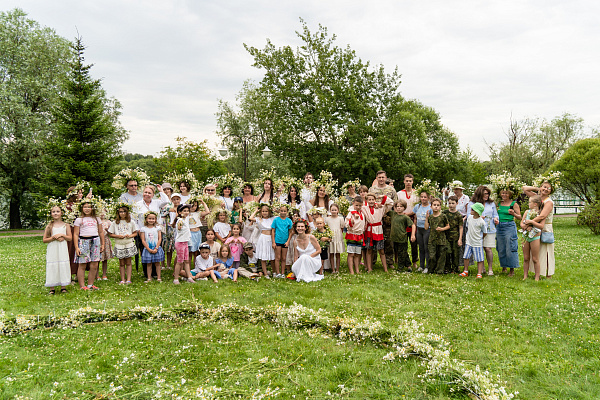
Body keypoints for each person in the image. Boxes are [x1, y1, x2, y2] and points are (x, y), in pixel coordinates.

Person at [523, 181, 556, 278]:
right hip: (534, 226)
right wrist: (538, 189)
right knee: (537, 251)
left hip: (545, 227)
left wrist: (529, 222)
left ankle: (548, 273)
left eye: (548, 188)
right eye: (544, 187)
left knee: (546, 250)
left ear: (551, 191)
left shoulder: (549, 202)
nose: (546, 189)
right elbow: (524, 189)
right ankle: (538, 273)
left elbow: (542, 216)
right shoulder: (536, 198)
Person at [73, 200, 105, 290]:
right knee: (82, 264)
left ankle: (90, 284)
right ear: (82, 208)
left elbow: (101, 232)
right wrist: (76, 247)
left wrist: (102, 244)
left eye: (89, 207)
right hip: (84, 241)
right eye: (85, 207)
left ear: (93, 208)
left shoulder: (97, 219)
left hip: (95, 241)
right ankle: (82, 286)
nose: (87, 209)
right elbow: (75, 234)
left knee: (94, 264)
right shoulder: (79, 220)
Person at [369, 170, 398, 269]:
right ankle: (372, 261)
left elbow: (395, 203)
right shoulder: (372, 189)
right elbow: (368, 202)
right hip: (374, 218)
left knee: (388, 240)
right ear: (376, 178)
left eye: (383, 177)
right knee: (373, 239)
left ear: (386, 178)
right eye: (379, 177)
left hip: (387, 218)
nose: (381, 179)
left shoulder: (391, 190)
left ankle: (389, 262)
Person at [469, 186, 499, 276]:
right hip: (477, 229)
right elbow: (469, 215)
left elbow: (495, 214)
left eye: (488, 194)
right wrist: (477, 217)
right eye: (485, 194)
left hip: (489, 228)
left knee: (488, 248)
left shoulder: (491, 203)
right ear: (480, 193)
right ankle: (482, 268)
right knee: (479, 248)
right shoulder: (472, 203)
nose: (487, 195)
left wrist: (496, 219)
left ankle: (490, 268)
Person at [43, 205, 72, 294]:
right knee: (53, 265)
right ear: (51, 214)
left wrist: (62, 235)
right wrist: (53, 238)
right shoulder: (49, 226)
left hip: (62, 248)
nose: (55, 213)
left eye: (57, 211)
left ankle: (63, 286)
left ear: (61, 213)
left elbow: (70, 238)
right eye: (53, 212)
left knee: (62, 264)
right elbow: (44, 240)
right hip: (53, 248)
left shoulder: (66, 225)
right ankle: (52, 287)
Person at [362, 193, 393, 273]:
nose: (371, 201)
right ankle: (369, 268)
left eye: (373, 199)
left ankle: (385, 269)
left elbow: (391, 203)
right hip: (369, 230)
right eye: (369, 200)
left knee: (381, 250)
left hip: (378, 230)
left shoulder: (380, 207)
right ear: (366, 200)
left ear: (375, 200)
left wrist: (383, 198)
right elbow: (354, 208)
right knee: (369, 250)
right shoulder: (364, 208)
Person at [108, 204, 138, 285]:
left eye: (124, 211)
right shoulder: (115, 223)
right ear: (118, 213)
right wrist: (118, 236)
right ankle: (122, 279)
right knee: (121, 263)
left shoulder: (131, 222)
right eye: (121, 212)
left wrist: (130, 235)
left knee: (128, 262)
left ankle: (128, 279)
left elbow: (135, 233)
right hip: (119, 244)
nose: (123, 213)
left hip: (128, 244)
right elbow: (110, 234)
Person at [497, 189, 521, 277]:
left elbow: (519, 217)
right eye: (503, 193)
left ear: (510, 194)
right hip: (499, 226)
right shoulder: (499, 203)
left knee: (510, 247)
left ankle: (512, 269)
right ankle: (504, 267)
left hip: (509, 226)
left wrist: (513, 214)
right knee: (501, 247)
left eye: (506, 193)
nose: (504, 195)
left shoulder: (513, 204)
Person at [397, 174, 419, 271]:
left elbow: (418, 206)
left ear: (412, 182)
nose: (408, 183)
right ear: (404, 181)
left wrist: (411, 214)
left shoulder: (417, 193)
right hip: (402, 220)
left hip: (413, 219)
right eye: (407, 181)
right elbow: (396, 206)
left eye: (410, 181)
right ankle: (404, 262)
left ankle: (414, 261)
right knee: (402, 242)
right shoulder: (399, 194)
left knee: (414, 242)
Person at [460, 202, 487, 278]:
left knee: (479, 259)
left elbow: (485, 232)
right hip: (469, 242)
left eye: (472, 209)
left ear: (477, 211)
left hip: (477, 243)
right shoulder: (469, 218)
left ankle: (479, 273)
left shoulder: (481, 222)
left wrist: (480, 238)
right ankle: (465, 271)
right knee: (466, 256)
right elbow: (468, 227)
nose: (470, 210)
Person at [520, 196, 545, 281]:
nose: (528, 204)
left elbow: (541, 226)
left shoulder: (541, 214)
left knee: (535, 258)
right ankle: (525, 276)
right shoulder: (527, 212)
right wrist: (525, 226)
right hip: (525, 237)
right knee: (526, 258)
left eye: (530, 202)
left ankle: (537, 276)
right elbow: (521, 223)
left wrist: (532, 222)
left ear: (535, 204)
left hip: (535, 237)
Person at [425, 198, 449, 274]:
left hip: (441, 239)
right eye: (434, 205)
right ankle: (431, 270)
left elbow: (448, 226)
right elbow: (426, 227)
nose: (436, 206)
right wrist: (426, 218)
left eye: (438, 205)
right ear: (431, 206)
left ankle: (439, 271)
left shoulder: (443, 216)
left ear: (440, 207)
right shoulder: (430, 217)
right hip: (432, 239)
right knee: (432, 256)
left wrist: (442, 229)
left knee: (441, 256)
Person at [250, 205, 275, 278]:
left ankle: (274, 272)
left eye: (266, 211)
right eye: (263, 211)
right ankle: (265, 273)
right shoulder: (259, 219)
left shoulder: (272, 219)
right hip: (263, 238)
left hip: (271, 238)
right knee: (263, 257)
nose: (264, 213)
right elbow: (250, 218)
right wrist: (256, 211)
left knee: (272, 257)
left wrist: (275, 210)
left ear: (269, 212)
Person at [387, 199, 413, 271]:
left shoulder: (405, 217)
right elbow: (387, 207)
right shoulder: (393, 214)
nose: (399, 208)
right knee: (402, 252)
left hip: (402, 238)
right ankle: (408, 265)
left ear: (404, 208)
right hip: (394, 238)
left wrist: (413, 235)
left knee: (401, 253)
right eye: (397, 206)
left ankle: (400, 267)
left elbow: (413, 225)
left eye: (401, 206)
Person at [140, 211, 164, 283]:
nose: (151, 220)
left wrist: (156, 248)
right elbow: (143, 240)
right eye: (149, 218)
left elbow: (160, 238)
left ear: (155, 219)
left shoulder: (157, 228)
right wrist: (148, 249)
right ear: (146, 219)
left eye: (153, 219)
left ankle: (159, 277)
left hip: (156, 248)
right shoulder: (143, 229)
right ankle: (149, 278)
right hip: (148, 249)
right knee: (149, 264)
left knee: (157, 263)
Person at [173, 204, 194, 284]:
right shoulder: (180, 220)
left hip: (185, 242)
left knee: (186, 261)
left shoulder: (185, 219)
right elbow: (179, 228)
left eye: (187, 211)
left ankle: (189, 277)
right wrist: (179, 225)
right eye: (184, 211)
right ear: (180, 212)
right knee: (180, 261)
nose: (186, 212)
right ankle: (176, 278)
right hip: (180, 243)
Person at [413, 191, 432, 273]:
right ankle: (421, 266)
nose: (423, 198)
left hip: (427, 229)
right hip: (419, 229)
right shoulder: (417, 206)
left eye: (425, 197)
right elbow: (415, 218)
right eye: (422, 197)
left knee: (426, 248)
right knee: (421, 248)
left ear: (428, 198)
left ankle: (427, 266)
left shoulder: (430, 207)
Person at [443, 196, 464, 274]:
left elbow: (461, 227)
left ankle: (455, 268)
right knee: (447, 252)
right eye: (450, 203)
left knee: (455, 253)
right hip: (446, 236)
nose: (451, 205)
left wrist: (460, 239)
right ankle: (447, 268)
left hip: (455, 237)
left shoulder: (458, 215)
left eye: (453, 203)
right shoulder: (445, 213)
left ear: (457, 203)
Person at [345, 196, 366, 275]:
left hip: (359, 235)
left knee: (357, 254)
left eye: (360, 205)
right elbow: (346, 224)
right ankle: (351, 271)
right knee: (351, 254)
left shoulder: (362, 213)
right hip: (352, 234)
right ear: (353, 204)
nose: (358, 207)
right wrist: (351, 222)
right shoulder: (350, 213)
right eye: (356, 205)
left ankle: (357, 269)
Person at [271, 204, 293, 278]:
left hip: (285, 241)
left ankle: (283, 273)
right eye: (281, 211)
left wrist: (288, 241)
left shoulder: (289, 221)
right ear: (279, 211)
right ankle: (278, 273)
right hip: (277, 241)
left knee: (284, 258)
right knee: (278, 257)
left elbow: (291, 232)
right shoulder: (276, 220)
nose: (283, 212)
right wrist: (273, 242)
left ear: (287, 212)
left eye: (284, 211)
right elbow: (273, 231)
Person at [326, 204, 345, 274]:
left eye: (335, 210)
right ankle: (333, 269)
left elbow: (342, 227)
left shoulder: (340, 218)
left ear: (338, 211)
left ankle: (337, 269)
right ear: (330, 210)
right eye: (332, 210)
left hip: (338, 237)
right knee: (331, 253)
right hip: (331, 237)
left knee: (337, 253)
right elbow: (326, 228)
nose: (334, 211)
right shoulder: (327, 219)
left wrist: (339, 234)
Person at [98, 208, 113, 281]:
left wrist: (108, 230)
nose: (102, 214)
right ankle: (97, 275)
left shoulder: (108, 222)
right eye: (100, 212)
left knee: (105, 259)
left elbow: (111, 234)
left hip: (106, 240)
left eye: (104, 212)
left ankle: (104, 274)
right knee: (97, 259)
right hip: (98, 241)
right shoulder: (96, 221)